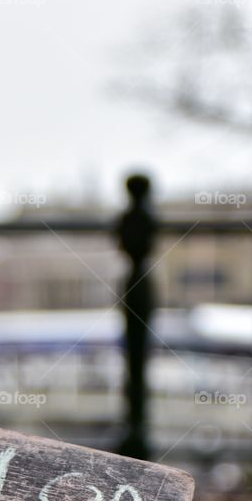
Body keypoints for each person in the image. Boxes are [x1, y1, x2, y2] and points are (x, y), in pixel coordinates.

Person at [116, 173, 155, 460]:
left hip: (134, 288)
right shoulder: (149, 219)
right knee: (137, 358)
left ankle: (136, 427)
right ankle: (137, 427)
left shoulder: (128, 219)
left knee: (135, 357)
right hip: (139, 288)